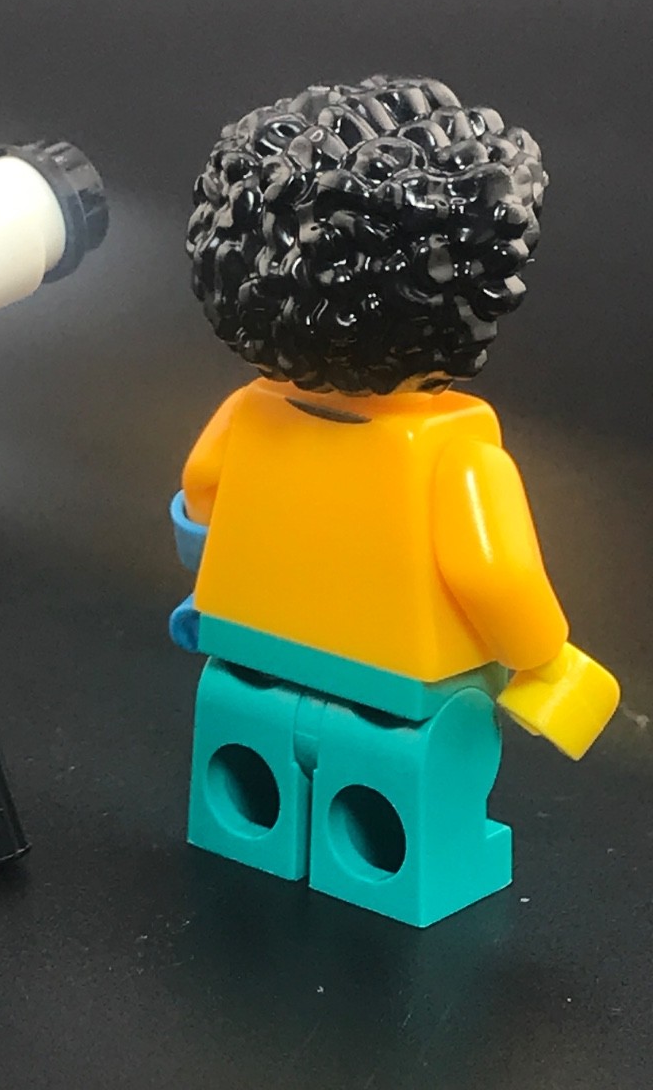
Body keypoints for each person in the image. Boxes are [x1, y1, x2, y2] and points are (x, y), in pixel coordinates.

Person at [171, 75, 619, 926]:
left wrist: (221, 564)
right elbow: (493, 575)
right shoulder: (454, 454)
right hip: (401, 693)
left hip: (248, 659)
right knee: (412, 780)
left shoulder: (248, 414)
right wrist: (545, 660)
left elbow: (200, 492)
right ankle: (383, 864)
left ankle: (252, 825)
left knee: (249, 763)